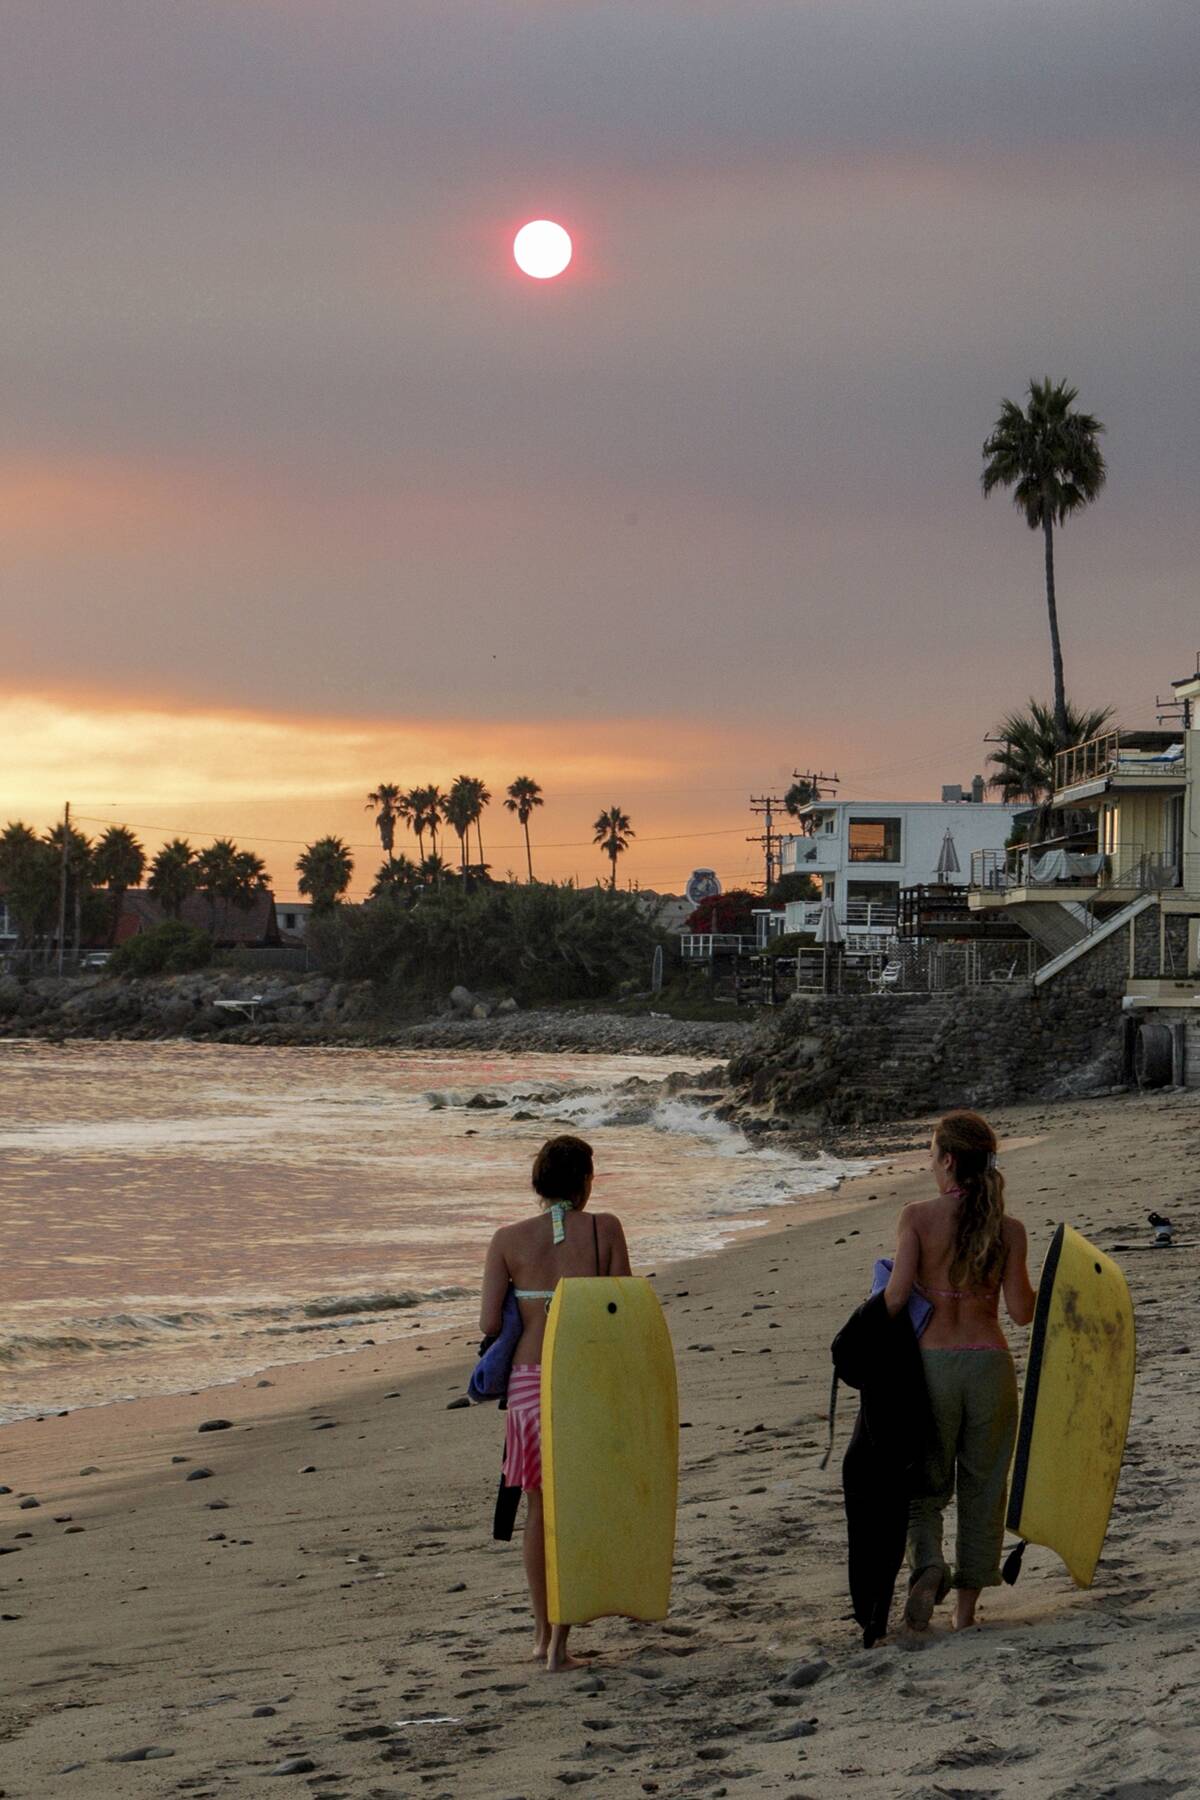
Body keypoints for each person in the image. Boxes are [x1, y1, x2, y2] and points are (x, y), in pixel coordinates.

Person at [479, 1133, 631, 1672]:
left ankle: (542, 1637)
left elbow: (489, 1323)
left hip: (526, 1380)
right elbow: (623, 1307)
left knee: (539, 1509)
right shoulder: (604, 1229)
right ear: (587, 1181)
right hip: (583, 1377)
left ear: (539, 1183)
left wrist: (532, 1303)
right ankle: (562, 1649)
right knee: (576, 1508)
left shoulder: (507, 1239)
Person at [884, 1109, 1036, 1632]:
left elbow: (897, 1297)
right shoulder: (1009, 1229)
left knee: (924, 1487)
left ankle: (927, 1567)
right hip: (990, 1367)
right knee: (984, 1486)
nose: (930, 1164)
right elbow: (1021, 1312)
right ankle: (965, 1613)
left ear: (948, 1160)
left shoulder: (916, 1217)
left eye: (931, 1155)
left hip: (933, 1368)